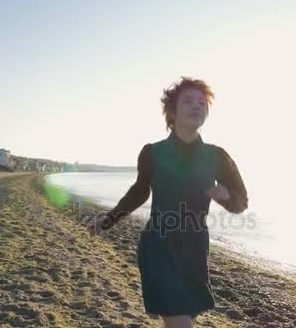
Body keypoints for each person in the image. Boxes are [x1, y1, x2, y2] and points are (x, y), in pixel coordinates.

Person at [87, 77, 248, 328]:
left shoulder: (217, 156)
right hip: (159, 245)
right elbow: (139, 193)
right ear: (172, 110)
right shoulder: (153, 152)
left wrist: (226, 197)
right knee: (180, 322)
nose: (197, 106)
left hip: (195, 249)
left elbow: (241, 202)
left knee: (183, 318)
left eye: (202, 103)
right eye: (188, 101)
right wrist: (107, 220)